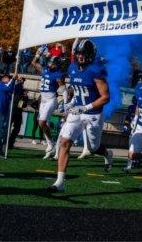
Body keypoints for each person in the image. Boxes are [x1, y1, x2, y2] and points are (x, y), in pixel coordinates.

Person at [47, 39, 112, 192]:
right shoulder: (73, 68)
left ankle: (107, 153)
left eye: (84, 54)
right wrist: (71, 102)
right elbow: (77, 90)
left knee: (93, 148)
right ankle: (60, 182)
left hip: (93, 114)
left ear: (91, 55)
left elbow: (106, 97)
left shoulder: (96, 70)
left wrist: (86, 107)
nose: (80, 56)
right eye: (79, 53)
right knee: (64, 142)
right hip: (77, 111)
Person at [32, 54, 67, 159]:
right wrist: (37, 54)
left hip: (51, 100)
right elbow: (33, 63)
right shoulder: (45, 70)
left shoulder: (58, 74)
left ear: (56, 65)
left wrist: (66, 104)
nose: (49, 64)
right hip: (43, 100)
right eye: (50, 62)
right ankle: (50, 144)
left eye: (52, 63)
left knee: (42, 122)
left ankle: (51, 143)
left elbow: (64, 90)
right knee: (42, 122)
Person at [8, 77, 28, 149]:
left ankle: (10, 143)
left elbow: (23, 105)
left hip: (18, 111)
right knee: (8, 127)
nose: (22, 82)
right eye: (21, 80)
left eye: (23, 81)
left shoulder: (22, 91)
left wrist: (25, 97)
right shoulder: (15, 87)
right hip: (12, 110)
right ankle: (5, 142)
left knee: (17, 128)